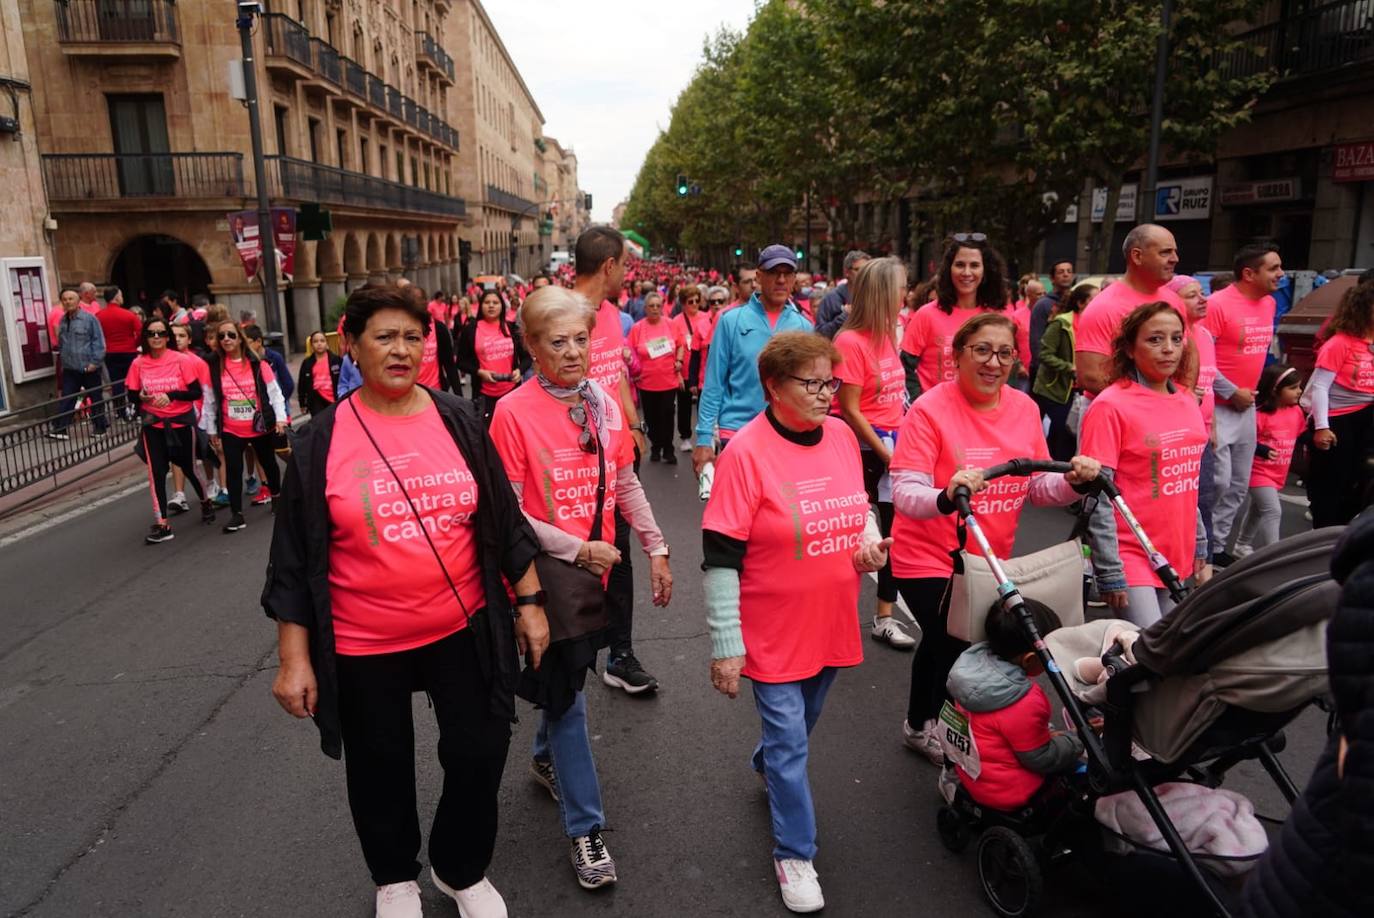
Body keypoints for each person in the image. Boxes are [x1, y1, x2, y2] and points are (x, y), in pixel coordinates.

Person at [262, 284, 548, 918]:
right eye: (384, 337)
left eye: (413, 337)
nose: (400, 351)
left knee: (479, 748)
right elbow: (291, 560)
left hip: (464, 626)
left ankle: (459, 868)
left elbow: (502, 517)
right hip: (366, 640)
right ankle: (394, 876)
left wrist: (528, 600)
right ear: (352, 345)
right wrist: (294, 658)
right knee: (380, 763)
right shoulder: (320, 441)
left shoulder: (459, 418)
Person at [488, 285, 673, 891]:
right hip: (546, 572)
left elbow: (624, 485)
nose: (572, 352)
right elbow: (509, 517)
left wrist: (657, 547)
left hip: (598, 566)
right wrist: (576, 548)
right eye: (556, 341)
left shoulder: (601, 403)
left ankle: (543, 758)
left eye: (580, 340)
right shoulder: (512, 413)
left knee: (567, 678)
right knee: (570, 701)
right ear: (532, 347)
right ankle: (585, 828)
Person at [702, 331, 891, 914]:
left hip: (832, 619)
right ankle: (794, 853)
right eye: (810, 383)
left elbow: (856, 505)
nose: (825, 394)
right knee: (789, 742)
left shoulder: (837, 435)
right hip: (772, 628)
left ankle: (767, 764)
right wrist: (726, 645)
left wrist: (868, 545)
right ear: (772, 386)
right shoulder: (745, 453)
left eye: (829, 382)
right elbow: (719, 556)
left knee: (800, 725)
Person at [889, 313, 1099, 763]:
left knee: (962, 640)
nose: (993, 362)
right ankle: (924, 725)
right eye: (982, 350)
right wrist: (946, 495)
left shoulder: (1024, 409)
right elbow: (906, 492)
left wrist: (1076, 482)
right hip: (929, 554)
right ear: (957, 357)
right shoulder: (928, 409)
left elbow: (1040, 488)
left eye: (1005, 353)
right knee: (951, 637)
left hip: (987, 557)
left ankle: (954, 724)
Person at [1082, 302, 1212, 628]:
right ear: (1129, 347)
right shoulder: (1110, 405)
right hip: (1131, 552)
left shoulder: (1185, 398)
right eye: (1154, 340)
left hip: (1178, 550)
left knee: (1169, 657)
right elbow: (1097, 493)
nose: (1168, 349)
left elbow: (1188, 480)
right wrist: (1109, 568)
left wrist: (1199, 542)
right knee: (1143, 654)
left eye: (1176, 338)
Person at [569, 227, 655, 692]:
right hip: (576, 467)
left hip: (620, 457)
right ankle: (572, 655)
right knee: (581, 558)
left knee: (620, 556)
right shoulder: (560, 316)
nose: (627, 273)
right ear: (608, 266)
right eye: (623, 264)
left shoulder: (614, 315)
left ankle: (620, 653)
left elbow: (615, 373)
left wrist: (635, 426)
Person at [833, 256, 916, 650]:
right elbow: (849, 408)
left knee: (891, 536)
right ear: (884, 292)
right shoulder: (850, 342)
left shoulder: (888, 335)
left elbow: (893, 398)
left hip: (890, 450)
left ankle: (884, 618)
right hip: (861, 452)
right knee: (853, 538)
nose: (906, 294)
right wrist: (885, 453)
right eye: (901, 287)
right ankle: (834, 615)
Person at [945, 599, 1084, 810]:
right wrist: (1076, 739)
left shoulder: (968, 673)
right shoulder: (1025, 700)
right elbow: (1041, 759)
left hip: (971, 774)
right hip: (1010, 790)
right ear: (1029, 660)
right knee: (1079, 773)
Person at [693, 245, 815, 475]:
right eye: (773, 272)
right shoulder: (731, 321)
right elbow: (713, 384)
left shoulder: (804, 327)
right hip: (737, 433)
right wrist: (704, 439)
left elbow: (810, 389)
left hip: (786, 435)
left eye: (786, 273)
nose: (780, 280)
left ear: (794, 278)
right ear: (759, 276)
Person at [1205, 244, 1285, 566]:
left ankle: (1217, 549)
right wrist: (1230, 390)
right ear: (1249, 273)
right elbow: (1201, 358)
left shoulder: (1268, 303)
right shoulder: (1216, 305)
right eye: (1274, 268)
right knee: (1218, 482)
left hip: (1247, 406)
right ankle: (1201, 542)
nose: (1281, 274)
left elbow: (1258, 356)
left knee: (1239, 484)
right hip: (1218, 407)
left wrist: (1253, 394)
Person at [1074, 224, 1193, 396]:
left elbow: (1190, 351)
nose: (1175, 259)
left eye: (1174, 251)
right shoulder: (1103, 307)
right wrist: (1145, 403)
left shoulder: (1174, 300)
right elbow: (1090, 377)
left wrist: (1183, 394)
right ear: (1137, 256)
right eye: (1165, 252)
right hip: (1117, 412)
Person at [127, 317, 216, 543]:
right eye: (151, 333)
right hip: (153, 425)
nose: (156, 337)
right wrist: (141, 397)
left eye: (160, 333)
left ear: (167, 337)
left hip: (181, 423)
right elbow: (131, 395)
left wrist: (172, 395)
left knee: (188, 467)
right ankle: (162, 523)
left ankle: (205, 501)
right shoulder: (138, 363)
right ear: (145, 338)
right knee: (156, 472)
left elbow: (195, 393)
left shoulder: (181, 360)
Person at [201, 320, 287, 532]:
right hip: (231, 429)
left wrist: (280, 418)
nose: (226, 339)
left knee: (269, 464)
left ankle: (276, 496)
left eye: (230, 335)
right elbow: (210, 399)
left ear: (239, 337)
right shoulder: (214, 367)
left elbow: (275, 393)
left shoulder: (258, 364)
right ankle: (237, 514)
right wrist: (211, 429)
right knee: (233, 469)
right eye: (221, 336)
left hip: (259, 427)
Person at [899, 233, 1011, 397]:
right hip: (936, 415)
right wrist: (919, 403)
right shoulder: (926, 315)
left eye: (974, 265)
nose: (966, 272)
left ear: (985, 270)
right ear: (948, 269)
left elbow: (1006, 368)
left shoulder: (999, 317)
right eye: (959, 265)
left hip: (981, 412)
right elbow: (905, 368)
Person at [1305, 279, 1374, 527]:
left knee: (1362, 480)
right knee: (1333, 482)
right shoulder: (1339, 343)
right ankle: (1323, 534)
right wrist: (1322, 426)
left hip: (1368, 416)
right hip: (1339, 418)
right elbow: (1321, 387)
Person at [1168, 274, 1220, 558]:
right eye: (1192, 295)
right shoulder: (1173, 339)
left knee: (1206, 500)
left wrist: (1213, 428)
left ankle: (1204, 566)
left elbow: (1209, 387)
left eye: (1203, 293)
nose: (1203, 299)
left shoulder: (1205, 335)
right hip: (1175, 434)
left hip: (1203, 430)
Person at [1233, 364, 1305, 556]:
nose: (1299, 391)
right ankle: (1273, 555)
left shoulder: (1296, 412)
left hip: (1278, 472)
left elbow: (1300, 434)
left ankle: (1241, 544)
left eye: (1299, 386)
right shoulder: (1259, 414)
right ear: (1274, 390)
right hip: (1258, 471)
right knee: (1273, 510)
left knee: (1257, 510)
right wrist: (1262, 450)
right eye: (1293, 388)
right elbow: (1244, 440)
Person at [1033, 283, 1098, 461]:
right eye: (1094, 298)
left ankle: (1047, 461)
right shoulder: (1062, 323)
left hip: (1078, 389)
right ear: (1080, 303)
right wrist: (1070, 367)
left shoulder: (1094, 323)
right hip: (1054, 388)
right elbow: (1044, 354)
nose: (1100, 301)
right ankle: (1056, 468)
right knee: (1063, 429)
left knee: (1063, 430)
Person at [628, 291, 686, 463]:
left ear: (662, 307)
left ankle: (668, 449)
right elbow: (630, 351)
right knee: (652, 417)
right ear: (645, 308)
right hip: (646, 382)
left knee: (668, 415)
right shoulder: (637, 328)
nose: (655, 309)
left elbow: (681, 344)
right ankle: (656, 446)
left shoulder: (671, 324)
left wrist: (679, 361)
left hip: (668, 380)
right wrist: (634, 372)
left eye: (658, 306)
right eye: (651, 306)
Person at [457, 289, 529, 426]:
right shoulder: (471, 329)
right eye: (487, 302)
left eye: (495, 302)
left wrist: (519, 371)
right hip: (484, 395)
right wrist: (479, 372)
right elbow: (461, 361)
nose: (491, 306)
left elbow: (527, 358)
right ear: (481, 305)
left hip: (511, 392)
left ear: (502, 306)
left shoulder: (512, 328)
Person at [47, 288, 108, 441]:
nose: (68, 302)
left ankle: (100, 426)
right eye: (65, 299)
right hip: (70, 368)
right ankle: (61, 429)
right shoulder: (63, 320)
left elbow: (98, 341)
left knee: (95, 397)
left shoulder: (89, 319)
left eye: (71, 299)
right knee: (67, 398)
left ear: (78, 301)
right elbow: (62, 343)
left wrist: (95, 362)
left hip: (89, 367)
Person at [167, 323, 212, 514]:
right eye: (174, 335)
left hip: (197, 415)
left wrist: (203, 415)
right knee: (177, 454)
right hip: (175, 415)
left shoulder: (198, 362)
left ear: (190, 339)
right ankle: (180, 494)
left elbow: (205, 391)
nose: (177, 339)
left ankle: (211, 482)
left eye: (181, 335)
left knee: (206, 452)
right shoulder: (165, 360)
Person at [672, 284, 713, 452]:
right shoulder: (676, 321)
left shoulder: (708, 317)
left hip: (703, 370)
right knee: (684, 406)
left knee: (704, 406)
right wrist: (678, 375)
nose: (695, 304)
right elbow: (674, 347)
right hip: (684, 369)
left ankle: (705, 437)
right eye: (691, 301)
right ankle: (685, 436)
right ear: (683, 303)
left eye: (697, 300)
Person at [97, 285, 143, 421]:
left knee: (116, 383)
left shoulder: (99, 316)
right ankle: (136, 410)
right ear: (117, 297)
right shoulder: (129, 315)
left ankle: (121, 412)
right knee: (133, 382)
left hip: (110, 352)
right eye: (121, 295)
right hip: (129, 351)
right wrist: (135, 344)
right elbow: (141, 332)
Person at [1029, 261, 1075, 388]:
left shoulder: (1076, 303)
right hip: (1046, 375)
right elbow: (1036, 341)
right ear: (1052, 278)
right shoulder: (1043, 305)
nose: (1066, 275)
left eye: (1069, 271)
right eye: (1061, 272)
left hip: (1069, 373)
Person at [815, 250, 871, 338]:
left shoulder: (874, 297)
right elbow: (820, 334)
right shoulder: (831, 298)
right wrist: (844, 316)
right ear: (847, 272)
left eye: (866, 270)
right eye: (858, 269)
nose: (863, 274)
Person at [244, 324, 295, 412]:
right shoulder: (246, 360)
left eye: (247, 343)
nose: (244, 347)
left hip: (278, 408)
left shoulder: (275, 357)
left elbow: (288, 384)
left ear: (259, 341)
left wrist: (279, 402)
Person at [298, 330, 342, 416]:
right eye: (315, 341)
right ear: (311, 345)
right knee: (319, 425)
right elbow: (302, 384)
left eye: (322, 341)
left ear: (327, 343)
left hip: (334, 399)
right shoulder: (307, 363)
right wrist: (302, 403)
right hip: (316, 399)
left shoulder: (336, 360)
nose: (319, 344)